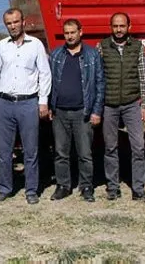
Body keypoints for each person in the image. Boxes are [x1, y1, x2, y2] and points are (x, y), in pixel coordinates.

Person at [0, 7, 52, 205]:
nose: (13, 26)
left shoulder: (35, 45)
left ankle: (31, 190)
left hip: (28, 102)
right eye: (9, 23)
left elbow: (44, 73)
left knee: (31, 149)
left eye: (16, 22)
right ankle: (5, 188)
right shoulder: (1, 47)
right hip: (5, 103)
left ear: (23, 22)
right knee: (4, 150)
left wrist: (43, 101)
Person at [48, 19, 104, 203]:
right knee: (60, 152)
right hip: (60, 112)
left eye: (73, 32)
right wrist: (50, 106)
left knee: (85, 153)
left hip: (83, 112)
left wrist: (96, 111)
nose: (70, 36)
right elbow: (50, 83)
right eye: (66, 33)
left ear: (81, 32)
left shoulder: (92, 55)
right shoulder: (56, 55)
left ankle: (86, 186)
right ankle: (63, 186)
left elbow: (99, 84)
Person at [98, 12, 145, 201]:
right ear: (111, 27)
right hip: (109, 105)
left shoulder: (137, 47)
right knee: (110, 148)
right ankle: (112, 187)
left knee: (138, 147)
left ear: (129, 27)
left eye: (122, 26)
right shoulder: (102, 47)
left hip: (131, 104)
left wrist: (143, 105)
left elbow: (142, 76)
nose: (119, 30)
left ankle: (138, 188)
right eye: (115, 26)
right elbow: (98, 77)